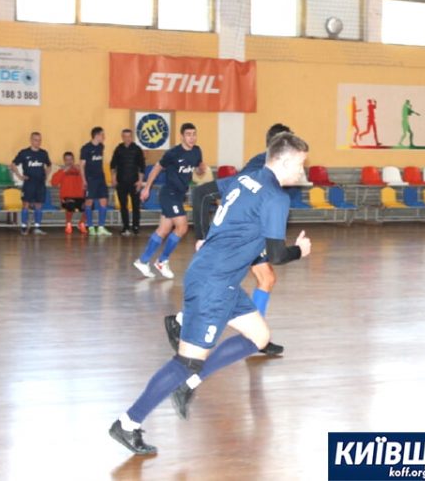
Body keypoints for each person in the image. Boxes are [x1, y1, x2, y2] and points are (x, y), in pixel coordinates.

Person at [109, 132, 311, 455]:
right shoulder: (276, 197)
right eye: (300, 165)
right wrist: (300, 250)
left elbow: (203, 194)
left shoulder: (246, 178)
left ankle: (189, 383)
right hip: (213, 284)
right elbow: (275, 255)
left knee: (259, 336)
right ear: (284, 162)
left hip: (222, 280)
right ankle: (128, 422)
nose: (302, 172)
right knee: (186, 362)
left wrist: (204, 237)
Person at [182, 123, 294, 358]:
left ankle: (257, 336)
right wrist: (203, 236)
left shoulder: (261, 164)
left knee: (266, 278)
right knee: (247, 280)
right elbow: (231, 192)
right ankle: (253, 338)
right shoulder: (261, 166)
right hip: (242, 235)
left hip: (247, 233)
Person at [133, 123, 205, 279]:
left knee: (163, 230)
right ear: (182, 136)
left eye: (194, 134)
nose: (192, 137)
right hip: (169, 194)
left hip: (179, 195)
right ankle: (162, 260)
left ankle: (143, 261)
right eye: (188, 134)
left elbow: (199, 167)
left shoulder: (197, 151)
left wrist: (201, 169)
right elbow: (156, 168)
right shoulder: (173, 153)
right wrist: (147, 188)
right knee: (182, 227)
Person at [10, 132, 52, 235]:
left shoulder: (43, 153)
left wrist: (46, 175)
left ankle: (37, 227)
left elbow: (49, 165)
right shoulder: (24, 153)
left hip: (40, 183)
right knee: (26, 204)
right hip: (29, 183)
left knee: (39, 204)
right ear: (31, 140)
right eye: (36, 140)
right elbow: (13, 164)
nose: (38, 142)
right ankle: (24, 227)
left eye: (40, 140)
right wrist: (19, 176)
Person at [111, 129, 145, 236]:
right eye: (125, 136)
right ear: (122, 137)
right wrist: (113, 179)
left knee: (136, 206)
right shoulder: (118, 149)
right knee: (123, 206)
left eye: (129, 136)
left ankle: (135, 226)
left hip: (134, 182)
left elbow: (142, 166)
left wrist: (140, 181)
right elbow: (113, 165)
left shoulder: (137, 149)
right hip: (121, 182)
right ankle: (125, 226)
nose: (127, 138)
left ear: (132, 137)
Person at [80, 126, 112, 236]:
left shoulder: (101, 147)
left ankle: (101, 227)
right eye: (102, 134)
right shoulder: (86, 148)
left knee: (104, 201)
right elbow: (82, 166)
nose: (104, 137)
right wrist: (84, 180)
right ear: (96, 135)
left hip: (100, 178)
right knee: (89, 202)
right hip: (90, 179)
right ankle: (90, 226)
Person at [51, 151, 88, 235]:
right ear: (64, 161)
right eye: (67, 160)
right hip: (67, 197)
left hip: (79, 197)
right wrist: (63, 171)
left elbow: (88, 180)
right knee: (70, 205)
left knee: (89, 206)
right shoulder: (61, 171)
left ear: (73, 160)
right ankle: (68, 224)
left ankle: (81, 223)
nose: (69, 162)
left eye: (71, 159)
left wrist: (81, 170)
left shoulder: (80, 171)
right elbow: (54, 183)